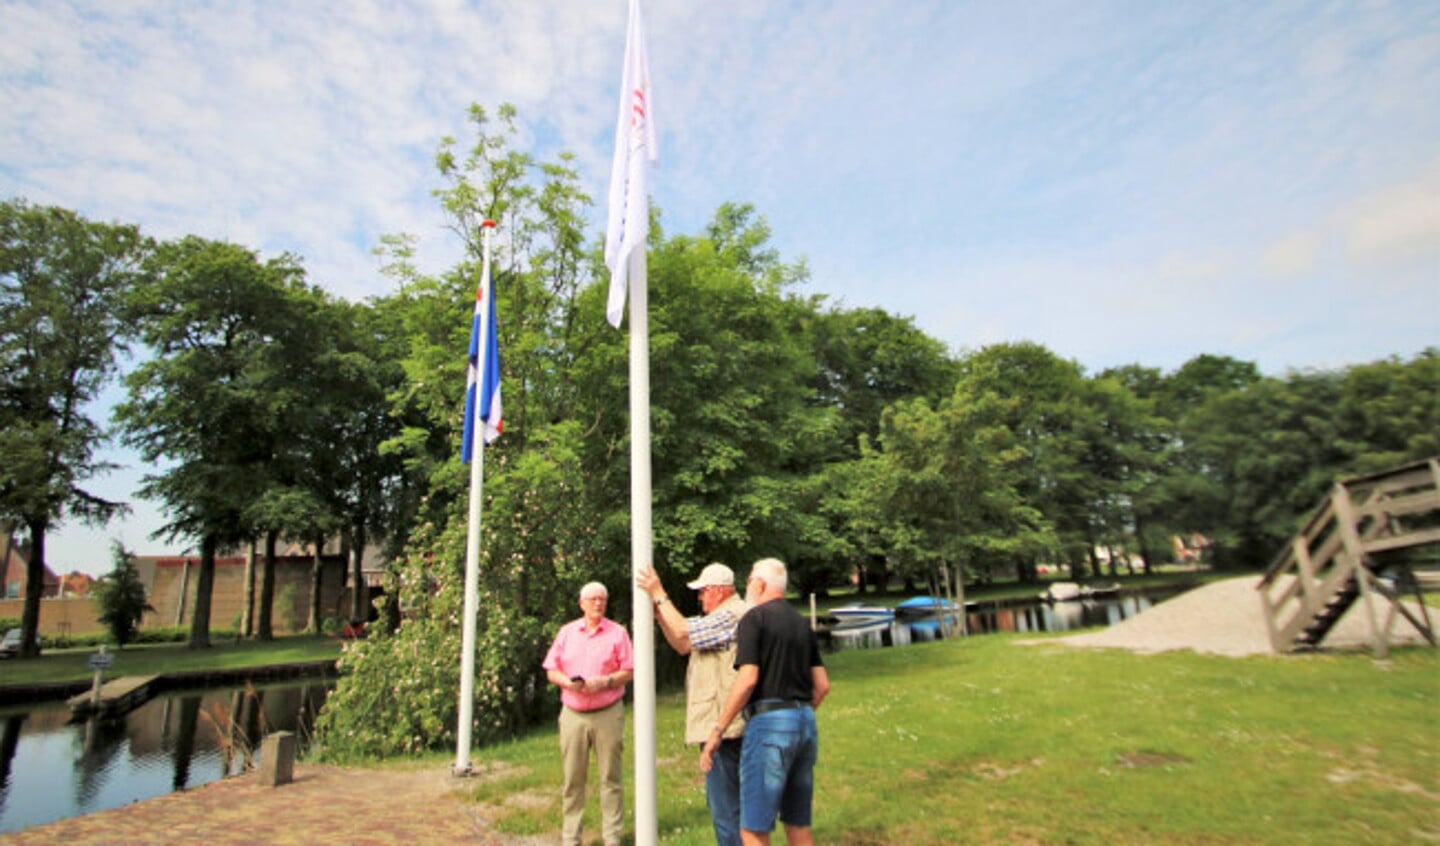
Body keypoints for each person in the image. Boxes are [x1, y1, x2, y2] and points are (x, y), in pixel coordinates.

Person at [701, 558, 830, 846]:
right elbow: (822, 686)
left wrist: (718, 730)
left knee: (754, 830)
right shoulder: (801, 623)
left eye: (748, 581)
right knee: (798, 824)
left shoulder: (754, 619)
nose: (747, 586)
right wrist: (797, 715)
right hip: (805, 723)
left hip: (768, 725)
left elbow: (747, 679)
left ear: (759, 585)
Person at [637, 562, 749, 846]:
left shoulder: (731, 615)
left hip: (725, 728)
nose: (699, 598)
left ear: (719, 591)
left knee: (728, 810)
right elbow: (684, 646)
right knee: (726, 807)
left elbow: (685, 630)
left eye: (702, 592)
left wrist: (658, 593)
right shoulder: (723, 618)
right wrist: (661, 618)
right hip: (721, 725)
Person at [542, 582, 635, 846]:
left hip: (608, 711)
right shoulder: (567, 633)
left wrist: (605, 681)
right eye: (593, 599)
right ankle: (571, 837)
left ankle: (612, 837)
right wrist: (567, 682)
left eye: (602, 600)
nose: (597, 604)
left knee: (611, 777)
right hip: (573, 712)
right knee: (573, 779)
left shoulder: (617, 633)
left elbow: (628, 670)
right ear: (581, 603)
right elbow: (551, 668)